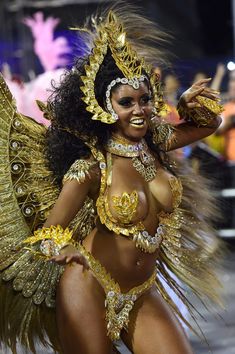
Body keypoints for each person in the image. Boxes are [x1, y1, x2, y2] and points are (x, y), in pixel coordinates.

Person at [0, 7, 224, 354]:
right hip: (90, 284)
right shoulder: (90, 168)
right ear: (104, 107)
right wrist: (64, 248)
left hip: (141, 290)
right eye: (126, 102)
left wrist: (185, 103)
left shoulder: (157, 142)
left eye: (145, 99)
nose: (140, 110)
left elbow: (210, 126)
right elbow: (47, 234)